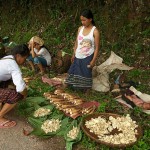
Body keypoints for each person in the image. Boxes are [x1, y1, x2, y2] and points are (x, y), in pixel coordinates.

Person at [65, 9, 100, 90]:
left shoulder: (95, 32)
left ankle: (86, 90)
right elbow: (77, 42)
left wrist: (93, 60)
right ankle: (69, 86)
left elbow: (97, 47)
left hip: (87, 56)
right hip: (78, 55)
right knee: (72, 71)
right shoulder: (80, 29)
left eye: (84, 20)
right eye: (81, 20)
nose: (82, 22)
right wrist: (74, 54)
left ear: (90, 19)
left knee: (86, 73)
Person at [0, 44, 30, 128]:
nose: (25, 61)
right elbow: (20, 88)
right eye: (24, 58)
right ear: (18, 56)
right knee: (17, 95)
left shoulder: (7, 58)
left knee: (8, 82)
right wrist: (25, 94)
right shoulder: (13, 66)